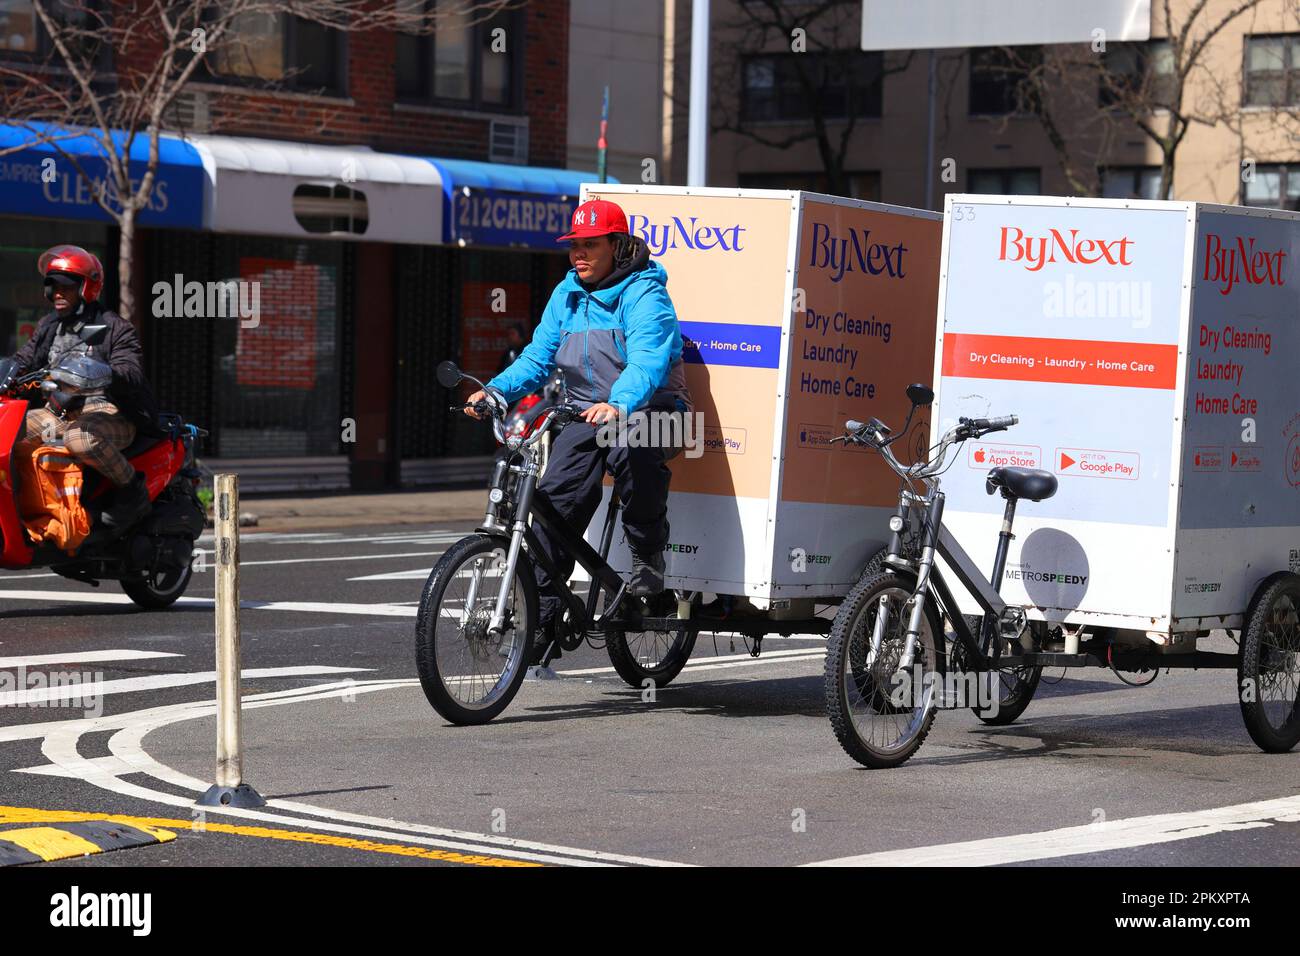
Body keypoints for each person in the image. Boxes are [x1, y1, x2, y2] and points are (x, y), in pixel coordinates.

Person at [466, 198, 692, 651]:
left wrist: (620, 404)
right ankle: (546, 615)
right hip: (587, 412)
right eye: (574, 247)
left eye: (590, 245)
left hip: (658, 409)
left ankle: (648, 555)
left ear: (617, 244)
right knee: (551, 500)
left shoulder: (646, 292)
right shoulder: (565, 295)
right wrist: (495, 392)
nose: (579, 256)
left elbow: (647, 362)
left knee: (633, 446)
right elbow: (536, 358)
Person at [5, 245, 160, 530]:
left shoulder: (113, 327)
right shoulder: (49, 326)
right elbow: (22, 360)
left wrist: (103, 372)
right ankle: (28, 505)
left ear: (87, 287)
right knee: (6, 432)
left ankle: (131, 490)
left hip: (109, 412)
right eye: (52, 286)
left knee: (81, 438)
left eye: (66, 286)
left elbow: (131, 372)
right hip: (58, 413)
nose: (57, 293)